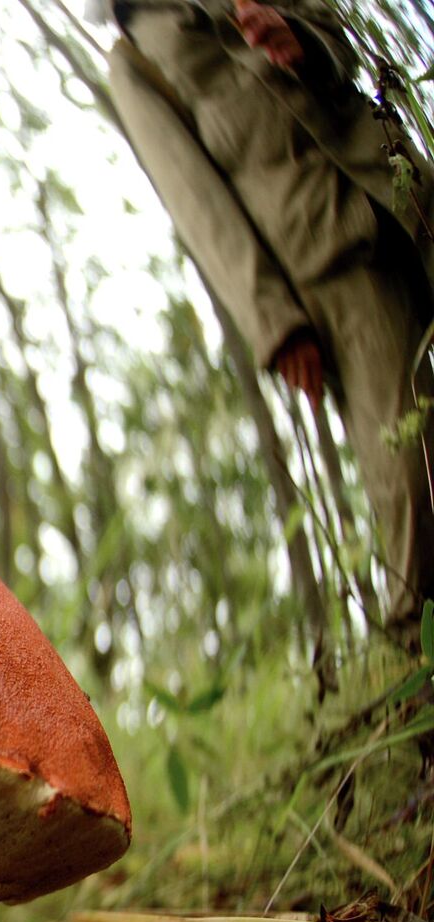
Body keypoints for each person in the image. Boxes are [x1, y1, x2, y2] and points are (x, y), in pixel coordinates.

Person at [105, 0, 434, 629]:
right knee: (412, 467)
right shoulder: (135, 60)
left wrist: (302, 39)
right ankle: (415, 653)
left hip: (402, 185)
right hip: (330, 262)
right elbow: (195, 201)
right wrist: (273, 322)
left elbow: (340, 41)